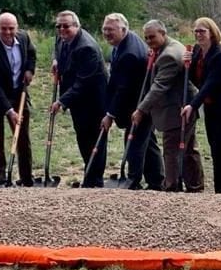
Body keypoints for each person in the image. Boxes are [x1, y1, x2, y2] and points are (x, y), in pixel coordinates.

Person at [132, 20, 204, 192]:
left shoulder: (169, 55)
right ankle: (195, 186)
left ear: (163, 34)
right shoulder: (169, 47)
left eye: (152, 37)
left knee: (172, 150)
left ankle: (172, 188)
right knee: (188, 149)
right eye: (146, 38)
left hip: (176, 110)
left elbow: (159, 86)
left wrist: (141, 109)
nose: (149, 41)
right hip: (185, 106)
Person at [100, 13, 164, 190]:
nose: (106, 33)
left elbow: (123, 89)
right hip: (138, 101)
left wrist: (110, 115)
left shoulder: (129, 53)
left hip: (139, 104)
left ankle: (133, 180)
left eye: (110, 30)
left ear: (123, 29)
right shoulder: (126, 41)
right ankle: (157, 181)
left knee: (134, 142)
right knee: (148, 142)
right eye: (104, 29)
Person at [181, 17, 221, 194]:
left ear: (212, 33)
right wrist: (188, 64)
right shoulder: (199, 51)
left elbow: (210, 84)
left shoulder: (220, 55)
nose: (198, 35)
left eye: (202, 31)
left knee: (218, 146)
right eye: (196, 31)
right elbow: (196, 79)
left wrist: (192, 105)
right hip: (211, 105)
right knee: (216, 146)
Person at [0, 12, 37, 187]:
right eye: (4, 29)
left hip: (18, 93)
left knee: (23, 137)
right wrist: (9, 111)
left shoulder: (24, 38)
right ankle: (1, 180)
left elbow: (31, 54)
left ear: (17, 28)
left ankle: (27, 178)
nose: (8, 32)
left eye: (11, 28)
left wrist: (29, 71)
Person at [51, 10, 109, 188]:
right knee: (83, 138)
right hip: (78, 102)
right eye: (59, 26)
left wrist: (61, 101)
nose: (62, 29)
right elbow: (58, 50)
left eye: (66, 26)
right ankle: (89, 176)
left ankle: (95, 181)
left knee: (94, 141)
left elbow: (83, 82)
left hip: (93, 101)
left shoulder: (86, 48)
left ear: (76, 26)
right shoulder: (63, 39)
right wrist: (56, 61)